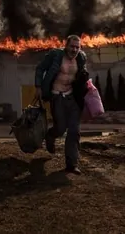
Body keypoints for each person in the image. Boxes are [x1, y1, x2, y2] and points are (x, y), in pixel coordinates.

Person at [34, 35, 89, 174]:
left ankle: (72, 164)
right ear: (66, 45)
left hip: (72, 97)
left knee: (74, 130)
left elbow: (82, 74)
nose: (74, 49)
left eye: (77, 47)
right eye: (72, 46)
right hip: (56, 96)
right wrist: (38, 86)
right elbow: (40, 69)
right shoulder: (55, 55)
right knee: (61, 127)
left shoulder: (81, 58)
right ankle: (50, 136)